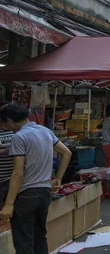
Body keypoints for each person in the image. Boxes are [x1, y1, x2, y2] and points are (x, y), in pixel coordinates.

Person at [0, 103, 72, 254]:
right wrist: (58, 178)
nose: (6, 127)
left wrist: (9, 204)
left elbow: (17, 173)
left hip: (26, 195)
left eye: (5, 123)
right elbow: (67, 153)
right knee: (40, 238)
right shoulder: (44, 130)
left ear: (10, 120)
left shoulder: (19, 137)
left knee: (24, 242)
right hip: (44, 193)